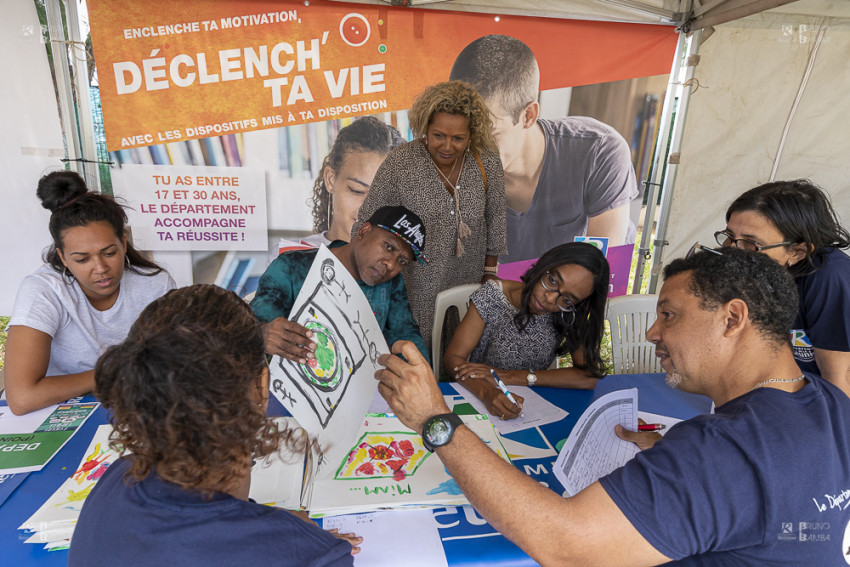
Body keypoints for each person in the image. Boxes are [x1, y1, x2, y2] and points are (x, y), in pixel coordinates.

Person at [375, 247, 850, 565]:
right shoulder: (831, 403)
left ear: (733, 318)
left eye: (668, 315)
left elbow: (561, 543)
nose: (651, 333)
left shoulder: (719, 454)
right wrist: (672, 452)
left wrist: (436, 420)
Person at [69, 285, 360, 566]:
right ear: (261, 387)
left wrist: (271, 527)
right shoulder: (311, 555)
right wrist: (290, 538)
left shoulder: (118, 478)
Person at [450, 34, 638, 263]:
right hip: (504, 295)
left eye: (487, 133)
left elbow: (598, 273)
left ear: (528, 116)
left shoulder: (599, 152)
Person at [5, 171, 174, 415]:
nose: (101, 269)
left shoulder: (155, 284)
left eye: (109, 253)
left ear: (123, 243)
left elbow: (174, 363)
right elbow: (22, 398)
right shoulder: (44, 290)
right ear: (62, 257)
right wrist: (115, 371)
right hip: (61, 415)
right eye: (82, 259)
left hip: (140, 408)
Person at [354, 81, 507, 348]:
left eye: (458, 138)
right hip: (415, 284)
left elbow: (495, 218)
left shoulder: (487, 160)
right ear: (425, 127)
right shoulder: (401, 162)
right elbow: (368, 220)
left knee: (460, 352)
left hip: (468, 280)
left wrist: (489, 272)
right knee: (417, 350)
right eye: (438, 135)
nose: (447, 146)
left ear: (472, 134)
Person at [444, 243, 608, 419]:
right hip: (478, 394)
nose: (550, 298)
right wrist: (487, 393)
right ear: (545, 266)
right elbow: (453, 359)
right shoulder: (493, 295)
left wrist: (513, 377)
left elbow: (588, 377)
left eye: (567, 299)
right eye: (552, 281)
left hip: (531, 408)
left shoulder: (567, 312)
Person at [718, 179, 850, 395]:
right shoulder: (758, 268)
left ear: (798, 252)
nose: (733, 251)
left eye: (751, 244)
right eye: (730, 236)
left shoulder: (828, 279)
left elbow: (839, 378)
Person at [252, 205, 429, 363]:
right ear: (364, 231)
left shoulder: (391, 284)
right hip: (286, 391)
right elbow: (250, 329)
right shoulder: (292, 267)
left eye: (402, 261)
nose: (391, 264)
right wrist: (262, 334)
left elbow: (407, 336)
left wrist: (421, 375)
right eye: (388, 247)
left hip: (362, 395)